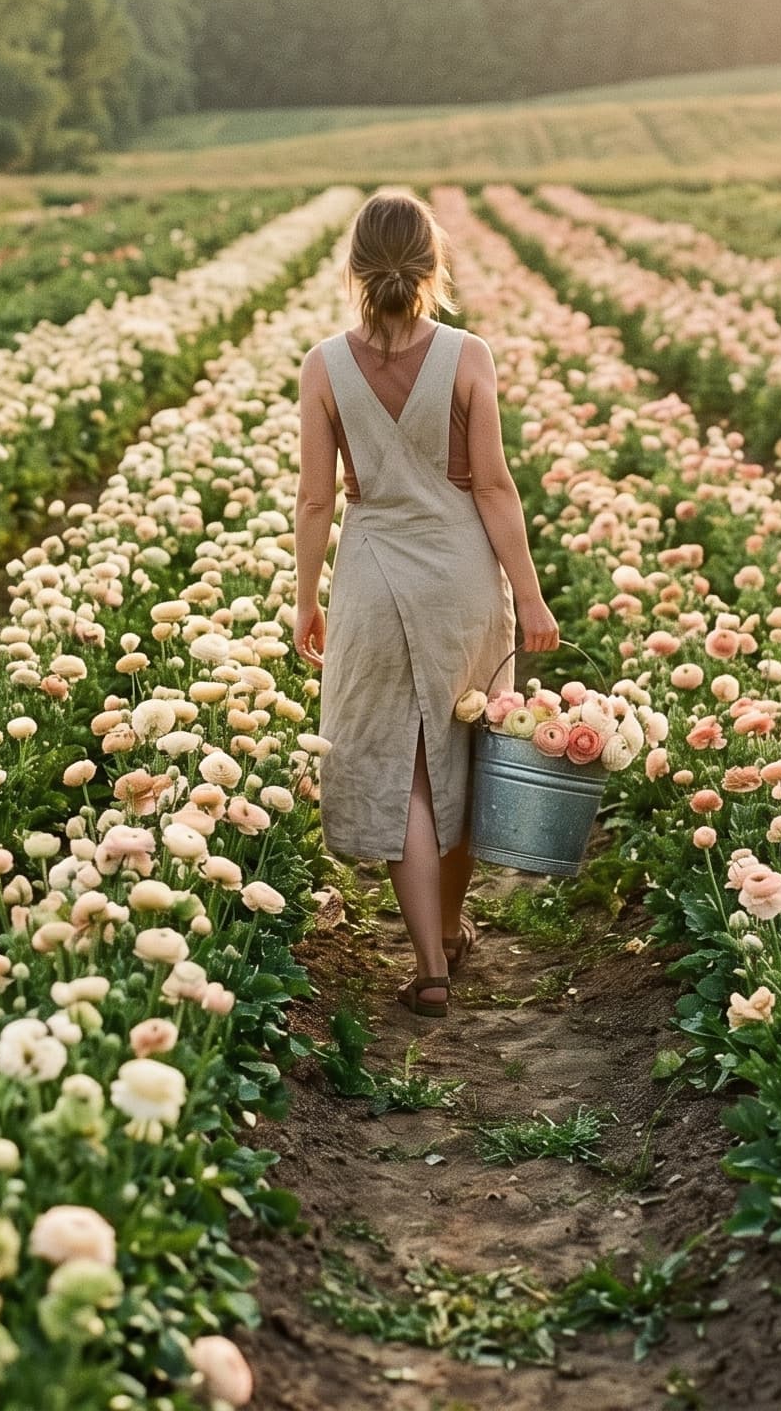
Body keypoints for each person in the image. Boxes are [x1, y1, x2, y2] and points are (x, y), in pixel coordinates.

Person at [294, 190, 559, 1017]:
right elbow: (494, 484)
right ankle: (449, 923)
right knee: (468, 744)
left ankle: (429, 967)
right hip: (462, 575)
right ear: (432, 262)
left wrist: (306, 597)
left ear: (355, 269)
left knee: (407, 770)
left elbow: (312, 501)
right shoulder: (468, 354)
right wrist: (532, 593)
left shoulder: (324, 365)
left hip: (373, 575)